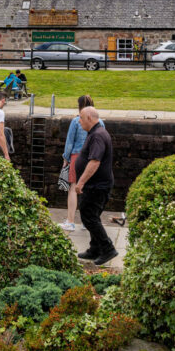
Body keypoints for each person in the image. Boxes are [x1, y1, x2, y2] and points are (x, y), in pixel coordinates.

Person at [73, 106, 117, 266]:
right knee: (91, 215)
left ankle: (107, 248)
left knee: (89, 216)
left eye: (81, 118)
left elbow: (94, 161)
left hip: (97, 186)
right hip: (96, 185)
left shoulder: (98, 135)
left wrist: (81, 182)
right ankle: (95, 248)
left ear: (89, 118)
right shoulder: (95, 133)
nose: (79, 121)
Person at [59, 95, 101, 231]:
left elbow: (69, 142)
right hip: (93, 158)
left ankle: (70, 221)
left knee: (73, 188)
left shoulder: (76, 121)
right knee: (88, 189)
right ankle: (86, 222)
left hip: (77, 156)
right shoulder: (100, 122)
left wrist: (65, 158)